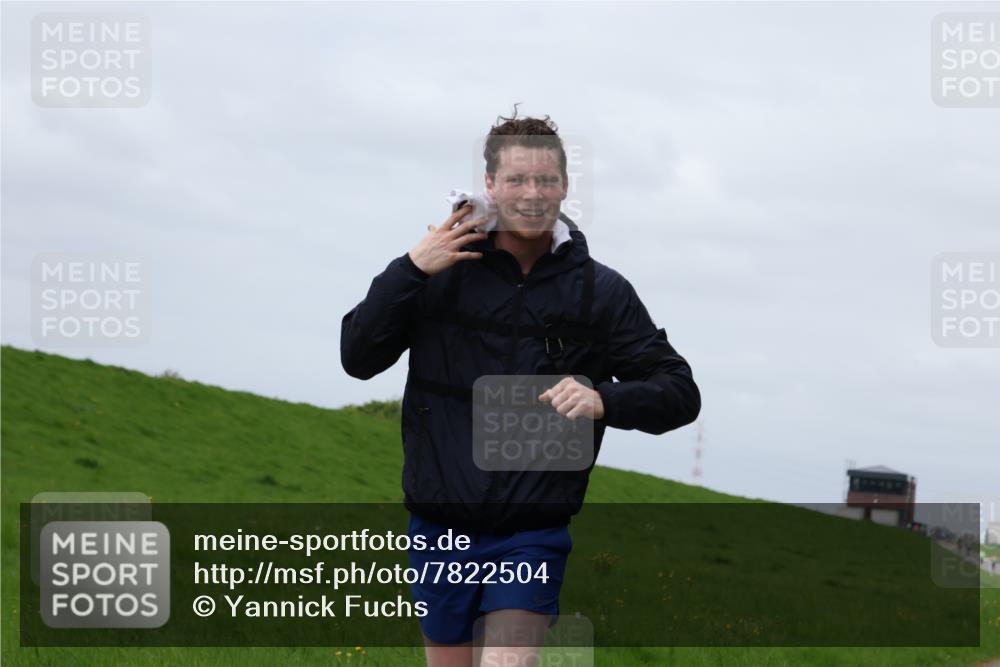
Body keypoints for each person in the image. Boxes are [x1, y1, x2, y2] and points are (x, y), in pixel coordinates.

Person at [341, 108, 701, 667]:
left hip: (531, 533)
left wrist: (604, 399)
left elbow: (679, 391)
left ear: (564, 185)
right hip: (440, 530)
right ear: (490, 184)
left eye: (546, 180)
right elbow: (357, 358)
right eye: (516, 180)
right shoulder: (437, 271)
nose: (532, 194)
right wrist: (410, 269)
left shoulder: (598, 292)